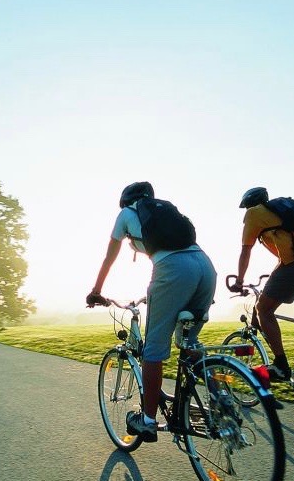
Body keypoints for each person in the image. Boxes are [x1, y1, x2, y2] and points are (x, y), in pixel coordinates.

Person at [87, 181, 217, 442]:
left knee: (153, 351)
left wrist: (96, 291)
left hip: (173, 269)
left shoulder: (126, 214)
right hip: (205, 266)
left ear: (125, 200)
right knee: (189, 342)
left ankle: (147, 421)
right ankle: (220, 403)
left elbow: (109, 257)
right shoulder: (165, 211)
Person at [230, 187, 294, 381]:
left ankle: (281, 366)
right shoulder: (282, 217)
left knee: (263, 309)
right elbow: (284, 256)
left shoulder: (254, 213)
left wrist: (240, 281)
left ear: (248, 205)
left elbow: (246, 250)